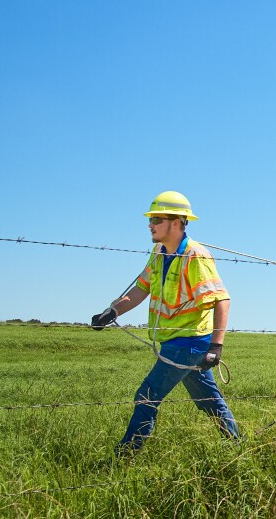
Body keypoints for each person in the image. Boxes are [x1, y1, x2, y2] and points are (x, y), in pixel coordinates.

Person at [90, 191, 239, 453]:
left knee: (147, 395)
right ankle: (237, 445)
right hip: (174, 339)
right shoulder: (159, 252)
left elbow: (221, 300)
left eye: (157, 219)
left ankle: (125, 456)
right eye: (151, 219)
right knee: (209, 401)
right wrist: (112, 312)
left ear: (177, 222)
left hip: (190, 340)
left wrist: (216, 347)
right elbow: (140, 289)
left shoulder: (195, 256)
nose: (150, 224)